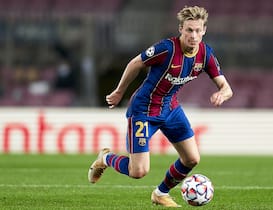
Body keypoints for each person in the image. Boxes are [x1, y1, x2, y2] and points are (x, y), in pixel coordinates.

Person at [88, 6, 233, 207]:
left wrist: (222, 93)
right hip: (143, 111)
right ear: (181, 29)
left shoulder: (205, 54)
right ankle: (105, 158)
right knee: (138, 171)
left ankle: (160, 193)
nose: (194, 35)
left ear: (204, 30)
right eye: (189, 30)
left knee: (191, 158)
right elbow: (135, 63)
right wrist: (120, 91)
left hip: (170, 108)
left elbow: (226, 87)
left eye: (198, 30)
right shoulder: (166, 49)